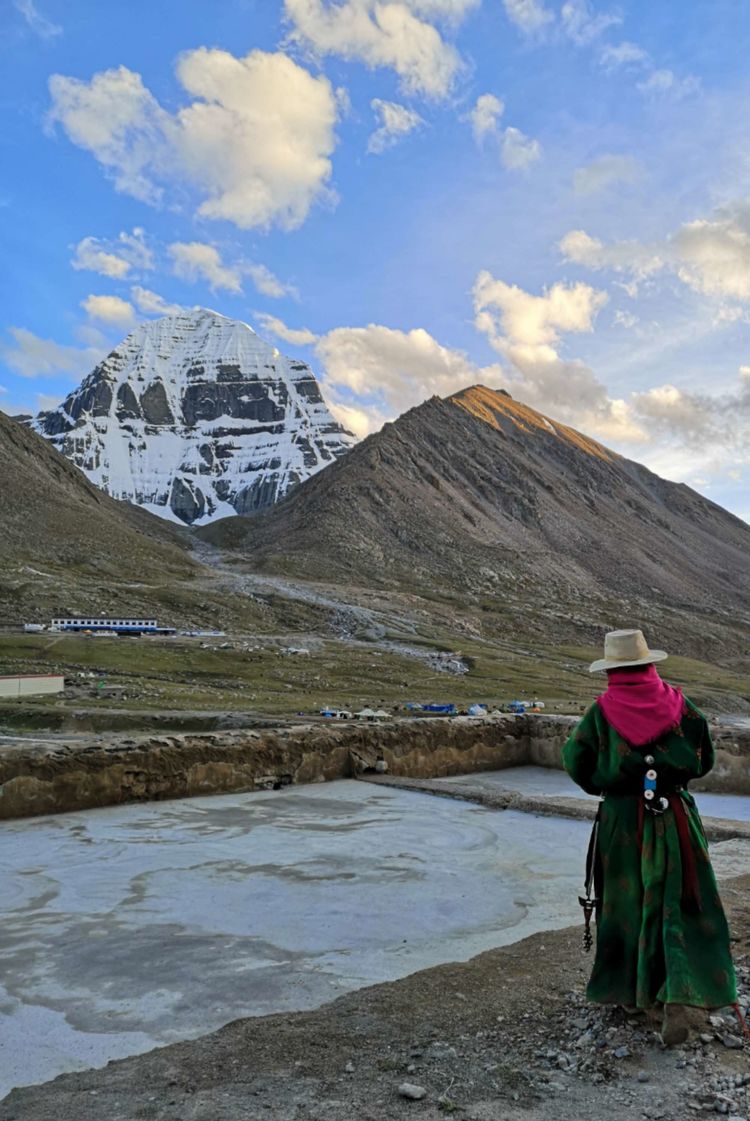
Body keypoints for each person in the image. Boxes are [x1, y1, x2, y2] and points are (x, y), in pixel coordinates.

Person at [562, 628, 738, 1046]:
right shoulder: (683, 707)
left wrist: (614, 784)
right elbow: (704, 758)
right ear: (649, 664)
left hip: (624, 821)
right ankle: (681, 992)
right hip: (675, 814)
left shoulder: (600, 714)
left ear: (612, 669)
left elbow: (577, 762)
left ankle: (634, 995)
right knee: (682, 898)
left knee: (627, 902)